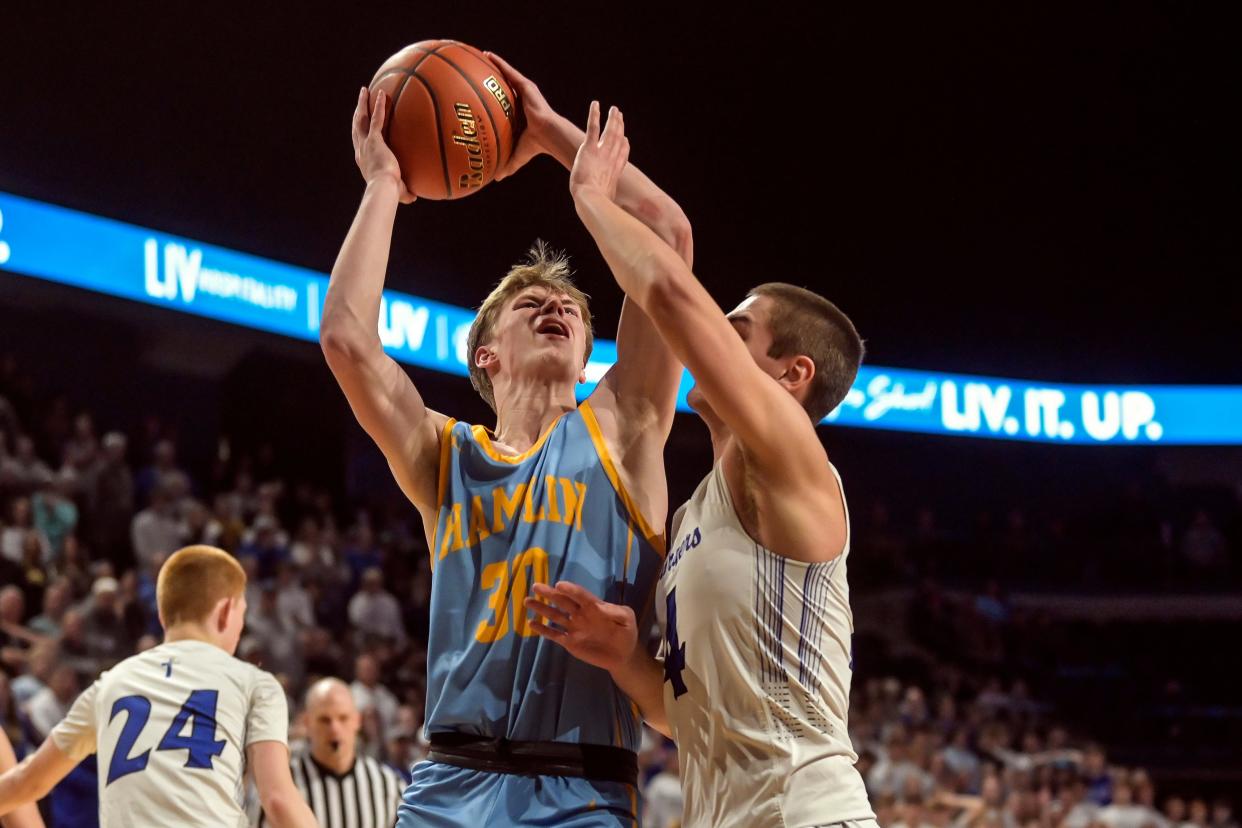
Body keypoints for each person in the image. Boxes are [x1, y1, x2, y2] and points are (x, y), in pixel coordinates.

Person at [320, 51, 691, 826]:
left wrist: (550, 134)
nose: (554, 303)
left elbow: (666, 235)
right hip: (446, 785)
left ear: (592, 352)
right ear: (485, 354)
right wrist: (385, 183)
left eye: (570, 305)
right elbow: (348, 340)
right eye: (529, 303)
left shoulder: (625, 425)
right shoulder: (444, 456)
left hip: (581, 791)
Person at [525, 103, 874, 827]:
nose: (711, 336)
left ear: (791, 375)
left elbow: (672, 289)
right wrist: (626, 660)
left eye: (736, 330)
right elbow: (687, 719)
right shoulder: (696, 512)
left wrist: (588, 192)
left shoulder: (790, 463)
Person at [0, 545, 317, 827]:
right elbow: (278, 800)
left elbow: (28, 782)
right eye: (241, 616)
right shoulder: (254, 683)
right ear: (225, 612)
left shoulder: (110, 683)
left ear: (164, 616)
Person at [260, 678, 404, 827]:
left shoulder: (389, 784)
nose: (334, 729)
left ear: (357, 721)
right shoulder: (282, 784)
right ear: (307, 722)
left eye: (343, 718)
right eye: (324, 720)